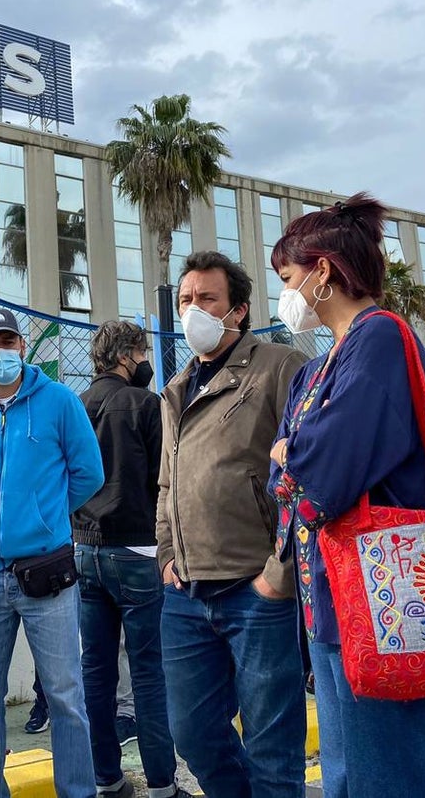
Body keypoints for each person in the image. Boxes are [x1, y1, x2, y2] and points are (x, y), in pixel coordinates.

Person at [267, 194, 425, 798]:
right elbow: (286, 469)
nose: (285, 295)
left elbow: (324, 466)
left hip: (382, 593)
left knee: (389, 766)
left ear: (321, 271)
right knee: (347, 765)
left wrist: (292, 455)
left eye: (288, 278)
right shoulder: (318, 366)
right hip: (330, 589)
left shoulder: (380, 337)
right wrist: (293, 458)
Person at [156, 250, 309, 798]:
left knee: (272, 749)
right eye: (185, 300)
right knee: (193, 735)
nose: (192, 309)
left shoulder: (279, 366)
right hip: (186, 592)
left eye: (207, 298)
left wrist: (278, 573)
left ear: (238, 310)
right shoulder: (176, 388)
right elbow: (167, 484)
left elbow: (306, 472)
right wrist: (166, 556)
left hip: (256, 590)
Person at [0, 307, 104, 798]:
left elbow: (89, 473)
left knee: (65, 696)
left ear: (22, 347)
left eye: (8, 342)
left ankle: (78, 791)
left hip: (46, 571)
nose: (1, 352)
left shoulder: (60, 401)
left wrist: (46, 516)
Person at [75, 320, 186, 798]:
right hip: (138, 550)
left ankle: (106, 778)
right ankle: (162, 783)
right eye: (141, 353)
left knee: (95, 672)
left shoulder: (78, 404)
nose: (144, 362)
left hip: (84, 549)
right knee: (148, 673)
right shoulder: (146, 404)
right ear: (125, 356)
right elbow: (165, 480)